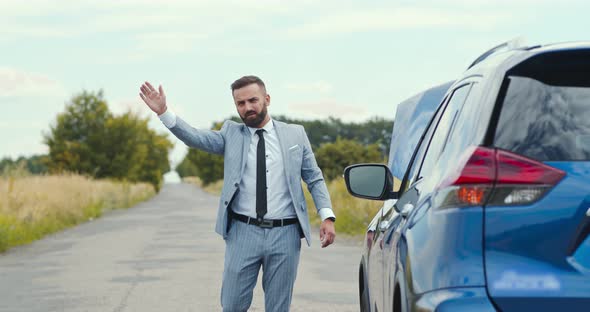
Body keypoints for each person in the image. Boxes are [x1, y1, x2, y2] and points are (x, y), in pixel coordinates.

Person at [139, 75, 336, 312]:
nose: (248, 108)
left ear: (267, 99)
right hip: (243, 232)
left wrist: (326, 216)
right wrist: (164, 113)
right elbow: (196, 137)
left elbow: (313, 177)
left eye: (253, 100)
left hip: (286, 233)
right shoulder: (231, 134)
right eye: (240, 104)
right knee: (232, 305)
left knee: (278, 308)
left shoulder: (295, 134)